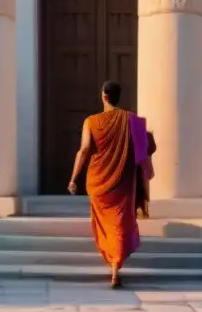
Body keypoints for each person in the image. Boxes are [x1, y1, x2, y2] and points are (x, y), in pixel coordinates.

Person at [67, 81, 156, 288]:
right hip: (123, 181)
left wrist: (73, 178)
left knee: (105, 223)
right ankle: (116, 266)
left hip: (98, 181)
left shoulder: (91, 121)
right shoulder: (133, 121)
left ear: (104, 96)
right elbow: (148, 148)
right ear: (117, 96)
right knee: (119, 223)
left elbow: (84, 149)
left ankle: (113, 262)